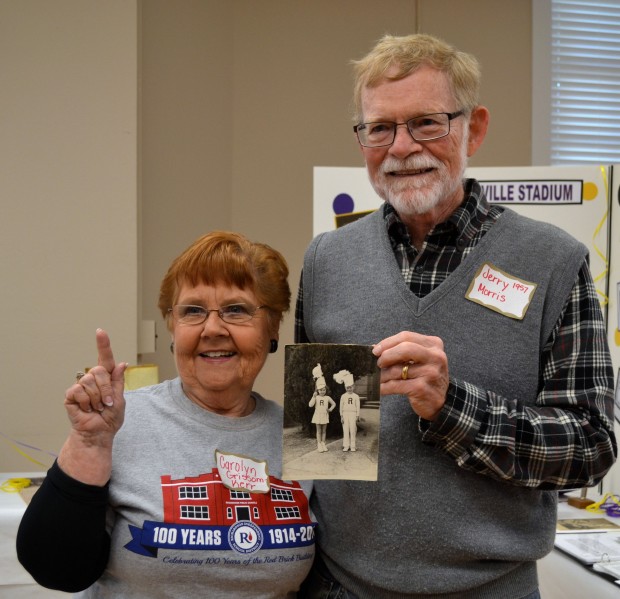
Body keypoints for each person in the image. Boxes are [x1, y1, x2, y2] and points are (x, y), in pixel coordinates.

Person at [296, 33, 616, 599]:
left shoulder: (553, 262)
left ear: (475, 127)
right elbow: (323, 446)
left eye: (426, 122)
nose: (401, 147)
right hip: (339, 584)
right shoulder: (327, 260)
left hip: (489, 589)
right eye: (380, 128)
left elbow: (589, 449)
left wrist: (451, 407)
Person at [17, 231, 315, 598]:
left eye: (236, 310)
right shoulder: (119, 423)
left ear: (271, 327)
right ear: (173, 328)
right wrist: (89, 443)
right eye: (192, 311)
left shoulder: (305, 435)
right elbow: (56, 569)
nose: (212, 329)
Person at [309, 364, 336, 453]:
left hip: (324, 415)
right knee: (318, 430)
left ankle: (324, 443)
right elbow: (310, 405)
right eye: (320, 390)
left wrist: (330, 409)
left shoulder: (327, 398)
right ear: (317, 390)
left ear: (326, 390)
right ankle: (319, 444)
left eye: (324, 390)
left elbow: (334, 404)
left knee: (324, 430)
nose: (322, 391)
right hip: (317, 415)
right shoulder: (316, 397)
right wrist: (313, 397)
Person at [333, 370, 360, 452]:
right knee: (345, 430)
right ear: (345, 388)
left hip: (353, 414)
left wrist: (357, 415)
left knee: (352, 430)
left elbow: (358, 406)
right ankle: (346, 445)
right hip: (345, 414)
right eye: (348, 388)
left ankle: (353, 446)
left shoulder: (356, 396)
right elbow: (341, 407)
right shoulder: (343, 396)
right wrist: (341, 416)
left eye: (351, 387)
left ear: (353, 387)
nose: (349, 389)